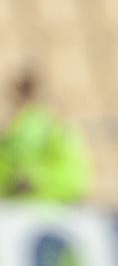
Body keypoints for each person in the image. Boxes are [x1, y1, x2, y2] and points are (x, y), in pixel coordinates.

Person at [0, 69, 91, 202]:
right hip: (42, 204)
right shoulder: (57, 127)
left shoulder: (36, 127)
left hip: (39, 205)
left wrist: (34, 183)